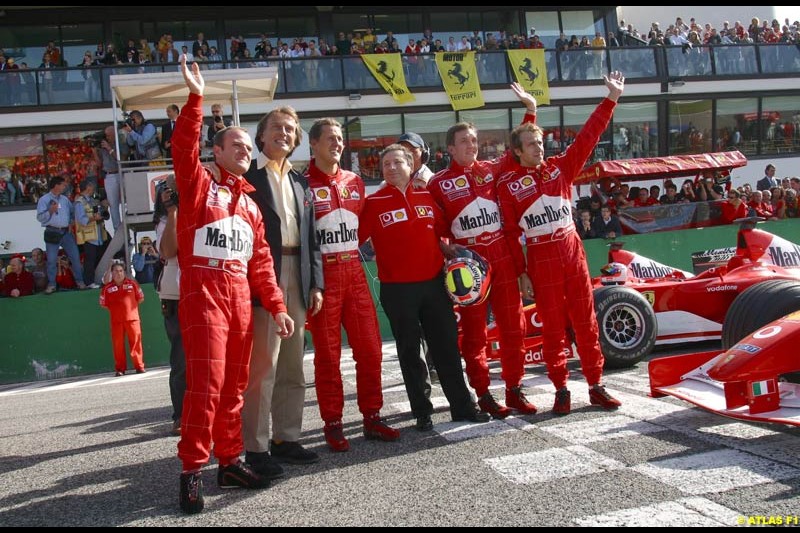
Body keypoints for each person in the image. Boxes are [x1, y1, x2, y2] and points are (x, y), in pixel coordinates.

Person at [172, 56, 294, 514]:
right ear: (217, 153)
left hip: (241, 298)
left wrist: (278, 306)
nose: (245, 150)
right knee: (205, 385)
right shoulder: (199, 186)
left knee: (235, 388)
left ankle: (230, 461)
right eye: (235, 145)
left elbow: (262, 263)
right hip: (203, 293)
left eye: (248, 146)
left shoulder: (252, 206)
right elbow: (183, 147)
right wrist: (196, 98)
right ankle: (191, 471)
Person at [496, 71, 626, 416]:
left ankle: (596, 385)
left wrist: (610, 99)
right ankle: (561, 389)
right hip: (540, 255)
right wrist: (521, 271)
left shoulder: (560, 169)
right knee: (552, 325)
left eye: (540, 143)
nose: (539, 148)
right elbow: (510, 235)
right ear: (517, 152)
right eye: (531, 144)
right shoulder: (508, 185)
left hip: (571, 248)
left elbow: (587, 139)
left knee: (586, 320)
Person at [426, 83, 539, 419]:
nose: (471, 145)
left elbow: (520, 147)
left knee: (513, 326)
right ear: (450, 148)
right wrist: (446, 251)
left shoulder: (492, 169)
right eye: (464, 141)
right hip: (469, 265)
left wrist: (530, 108)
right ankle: (484, 393)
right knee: (474, 334)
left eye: (474, 140)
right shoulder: (438, 183)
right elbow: (433, 229)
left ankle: (515, 389)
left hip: (503, 256)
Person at [359, 144, 490, 431]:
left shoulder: (427, 197)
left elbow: (442, 233)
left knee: (446, 349)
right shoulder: (373, 203)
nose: (391, 168)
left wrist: (450, 250)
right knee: (410, 353)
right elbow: (353, 239)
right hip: (397, 290)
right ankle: (422, 411)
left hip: (433, 285)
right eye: (386, 164)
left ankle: (463, 406)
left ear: (410, 165)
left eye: (397, 162)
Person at [306, 117, 399, 452]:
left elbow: (369, 225)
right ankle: (332, 423)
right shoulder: (301, 184)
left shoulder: (356, 182)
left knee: (371, 350)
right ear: (313, 144)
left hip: (355, 271)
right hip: (323, 278)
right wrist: (310, 283)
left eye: (340, 138)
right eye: (330, 138)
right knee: (328, 358)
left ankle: (372, 417)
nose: (337, 143)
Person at [241, 106, 325, 479]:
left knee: (293, 364)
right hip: (264, 277)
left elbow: (312, 237)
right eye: (277, 127)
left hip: (299, 275)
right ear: (261, 136)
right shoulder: (247, 177)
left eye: (291, 130)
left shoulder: (301, 182)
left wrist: (315, 282)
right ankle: (256, 448)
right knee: (263, 367)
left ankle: (287, 438)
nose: (285, 134)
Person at [153, 177, 185, 435]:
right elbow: (168, 250)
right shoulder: (164, 222)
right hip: (176, 295)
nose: (174, 195)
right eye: (170, 193)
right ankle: (181, 414)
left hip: (206, 291)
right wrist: (173, 211)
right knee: (182, 358)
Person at [36, 175, 87, 294]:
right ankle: (52, 284)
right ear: (56, 185)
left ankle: (80, 282)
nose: (65, 186)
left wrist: (70, 223)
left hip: (65, 232)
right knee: (52, 260)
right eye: (63, 184)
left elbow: (71, 213)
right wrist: (50, 211)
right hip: (52, 231)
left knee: (75, 257)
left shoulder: (64, 199)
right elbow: (39, 218)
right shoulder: (44, 200)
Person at [99, 261, 145, 376]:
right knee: (118, 345)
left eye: (121, 271)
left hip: (133, 319)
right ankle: (120, 369)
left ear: (124, 272)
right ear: (112, 273)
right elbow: (103, 304)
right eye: (116, 271)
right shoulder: (107, 288)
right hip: (116, 321)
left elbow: (140, 298)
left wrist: (130, 310)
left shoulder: (133, 284)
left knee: (136, 343)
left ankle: (139, 366)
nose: (118, 273)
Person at [73, 179, 108, 287]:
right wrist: (94, 218)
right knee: (90, 260)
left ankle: (99, 280)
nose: (94, 189)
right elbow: (82, 220)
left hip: (98, 235)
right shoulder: (79, 202)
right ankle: (89, 282)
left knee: (98, 258)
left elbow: (102, 214)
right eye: (92, 187)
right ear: (88, 187)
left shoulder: (93, 200)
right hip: (88, 236)